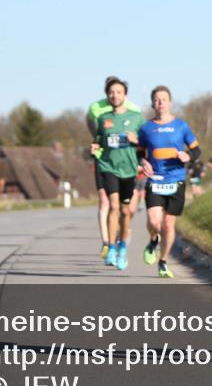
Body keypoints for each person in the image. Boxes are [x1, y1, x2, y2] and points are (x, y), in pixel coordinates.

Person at [138, 86, 202, 279]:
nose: (160, 103)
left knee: (168, 223)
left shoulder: (181, 126)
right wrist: (143, 161)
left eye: (164, 99)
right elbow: (139, 152)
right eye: (157, 99)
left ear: (170, 103)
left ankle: (163, 261)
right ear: (152, 104)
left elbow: (197, 151)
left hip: (176, 179)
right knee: (154, 221)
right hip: (155, 179)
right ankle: (153, 239)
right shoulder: (146, 128)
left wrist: (187, 155)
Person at [86, 76, 143, 260]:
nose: (115, 95)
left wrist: (137, 141)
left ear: (125, 94)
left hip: (129, 169)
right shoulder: (103, 119)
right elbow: (98, 142)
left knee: (126, 211)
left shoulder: (137, 117)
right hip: (108, 167)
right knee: (113, 206)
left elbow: (146, 144)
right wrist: (94, 148)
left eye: (118, 92)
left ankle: (123, 246)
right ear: (107, 96)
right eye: (111, 92)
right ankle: (111, 246)